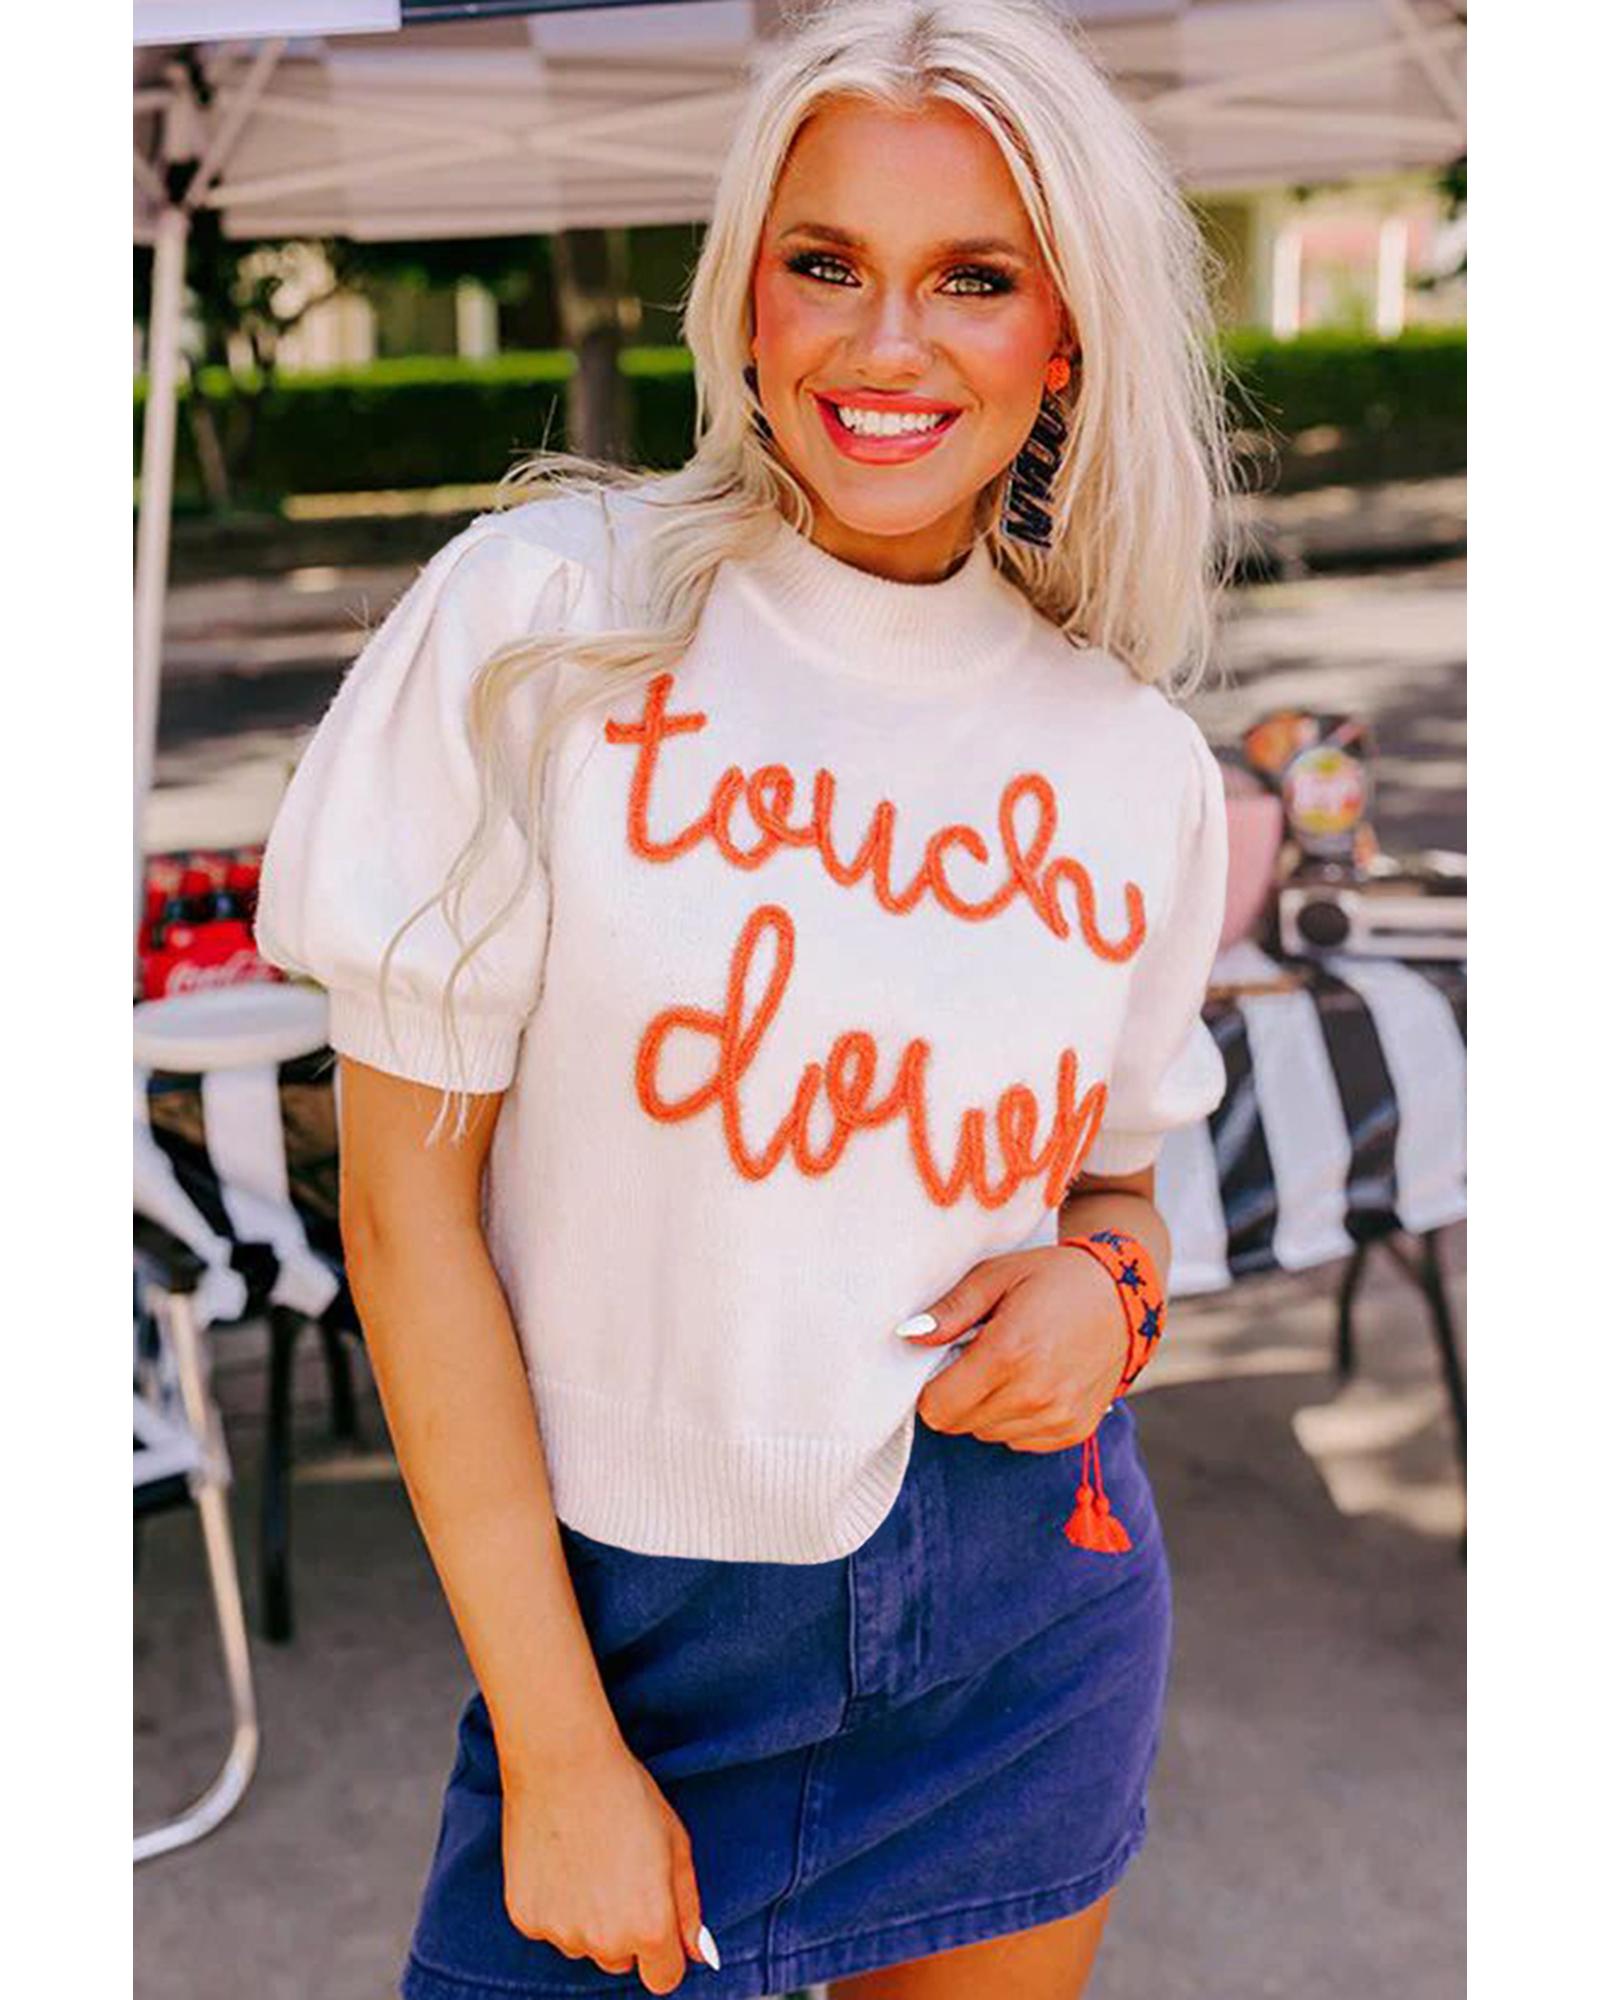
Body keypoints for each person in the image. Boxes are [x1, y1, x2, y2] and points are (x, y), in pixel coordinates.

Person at [255, 1, 1237, 1994]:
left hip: (1019, 1628)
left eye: (973, 279)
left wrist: (1106, 1299)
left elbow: (1119, 1195)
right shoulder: (547, 623)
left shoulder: (1127, 758)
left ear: (1065, 336)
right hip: (625, 1641)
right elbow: (403, 1211)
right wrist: (557, 1750)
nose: (887, 344)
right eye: (827, 264)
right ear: (747, 299)